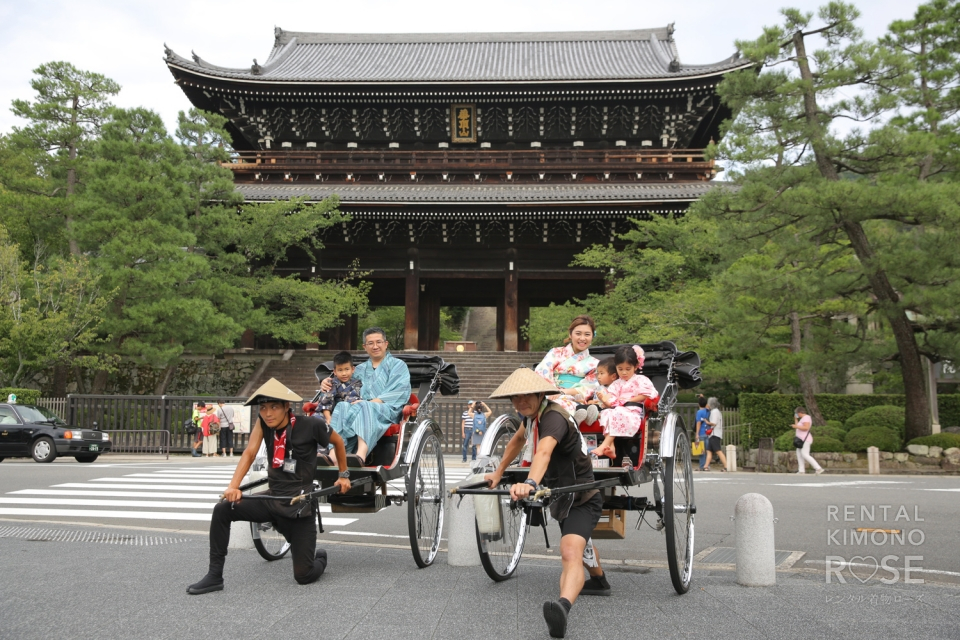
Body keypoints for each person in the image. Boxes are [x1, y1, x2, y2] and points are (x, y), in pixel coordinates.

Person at [186, 378, 352, 595]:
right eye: (263, 408)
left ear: (286, 407)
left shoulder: (311, 425)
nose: (268, 413)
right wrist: (233, 487)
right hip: (272, 499)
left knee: (304, 575)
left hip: (299, 506)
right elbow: (250, 452)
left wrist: (343, 475)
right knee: (223, 509)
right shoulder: (264, 423)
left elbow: (338, 442)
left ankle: (320, 557)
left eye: (274, 407)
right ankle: (214, 575)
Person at [484, 368, 610, 639]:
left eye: (526, 396)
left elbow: (543, 451)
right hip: (560, 495)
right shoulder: (531, 417)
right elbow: (517, 441)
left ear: (540, 394)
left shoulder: (552, 417)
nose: (520, 403)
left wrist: (529, 483)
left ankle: (562, 608)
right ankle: (599, 581)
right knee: (579, 544)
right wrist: (498, 472)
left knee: (570, 552)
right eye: (515, 398)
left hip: (582, 496)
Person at [321, 327, 411, 463]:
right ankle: (334, 454)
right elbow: (340, 383)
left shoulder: (398, 365)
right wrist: (325, 383)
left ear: (386, 344)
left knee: (365, 405)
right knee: (342, 406)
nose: (375, 346)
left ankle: (360, 455)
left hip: (388, 410)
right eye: (370, 343)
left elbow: (399, 391)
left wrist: (370, 402)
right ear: (365, 347)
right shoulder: (359, 369)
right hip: (358, 407)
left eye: (379, 342)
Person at [590, 345, 658, 460]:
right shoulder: (616, 383)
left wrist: (628, 401)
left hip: (632, 414)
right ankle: (611, 447)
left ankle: (605, 445)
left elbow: (647, 394)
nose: (624, 373)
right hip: (618, 411)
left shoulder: (641, 380)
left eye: (628, 369)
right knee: (605, 413)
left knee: (617, 411)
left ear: (635, 366)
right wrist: (604, 400)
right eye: (620, 369)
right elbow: (611, 400)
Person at [535, 315, 599, 421]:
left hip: (574, 398)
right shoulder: (555, 352)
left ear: (592, 336)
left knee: (564, 403)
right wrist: (552, 391)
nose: (582, 338)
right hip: (549, 393)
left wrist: (563, 393)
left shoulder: (595, 364)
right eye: (578, 333)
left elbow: (588, 388)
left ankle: (574, 419)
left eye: (587, 334)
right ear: (570, 334)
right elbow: (542, 371)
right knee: (551, 403)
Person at [316, 351, 364, 425]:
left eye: (347, 369)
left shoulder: (358, 383)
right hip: (334, 413)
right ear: (334, 371)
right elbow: (325, 403)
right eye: (340, 370)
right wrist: (329, 418)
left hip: (353, 413)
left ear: (353, 369)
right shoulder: (332, 383)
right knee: (317, 420)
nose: (344, 373)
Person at [793, 406, 824, 475]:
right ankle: (801, 470)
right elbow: (797, 426)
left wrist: (796, 426)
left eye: (797, 413)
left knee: (805, 454)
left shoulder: (806, 417)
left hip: (805, 439)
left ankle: (818, 468)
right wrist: (796, 420)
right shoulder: (803, 418)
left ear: (800, 412)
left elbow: (806, 428)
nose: (797, 414)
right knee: (799, 454)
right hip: (800, 440)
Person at [702, 397, 727, 472]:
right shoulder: (714, 411)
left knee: (718, 450)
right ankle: (706, 466)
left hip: (715, 434)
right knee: (709, 450)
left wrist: (706, 422)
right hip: (712, 434)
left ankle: (726, 466)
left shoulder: (715, 412)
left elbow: (714, 423)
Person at [694, 395, 709, 471]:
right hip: (708, 433)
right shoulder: (707, 411)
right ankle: (707, 466)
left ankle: (702, 466)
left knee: (701, 451)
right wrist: (703, 397)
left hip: (702, 433)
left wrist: (697, 434)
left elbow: (698, 423)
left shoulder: (699, 412)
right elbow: (707, 406)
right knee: (708, 451)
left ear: (698, 404)